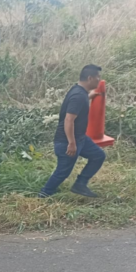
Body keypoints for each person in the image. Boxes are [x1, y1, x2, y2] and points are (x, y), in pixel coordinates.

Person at [39, 65, 106, 198]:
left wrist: (91, 96)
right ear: (90, 78)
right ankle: (44, 194)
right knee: (63, 172)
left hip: (80, 138)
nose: (99, 80)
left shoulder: (80, 91)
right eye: (98, 77)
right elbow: (68, 120)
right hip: (67, 141)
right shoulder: (78, 96)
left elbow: (81, 99)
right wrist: (71, 143)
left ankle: (80, 185)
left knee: (98, 155)